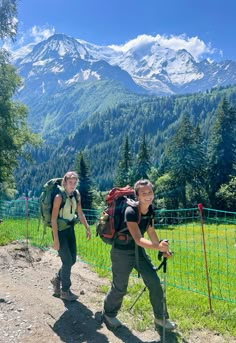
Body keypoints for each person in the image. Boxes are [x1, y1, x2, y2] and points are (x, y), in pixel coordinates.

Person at [102, 179, 176, 330]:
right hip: (121, 252)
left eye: (150, 192)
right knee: (120, 287)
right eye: (143, 193)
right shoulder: (130, 212)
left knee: (154, 282)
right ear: (137, 196)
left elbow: (150, 231)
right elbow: (138, 238)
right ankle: (109, 313)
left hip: (138, 252)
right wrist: (158, 247)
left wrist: (163, 249)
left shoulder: (150, 210)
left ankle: (161, 318)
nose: (147, 195)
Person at [51, 171, 91, 301]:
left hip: (70, 230)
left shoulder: (76, 195)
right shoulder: (59, 197)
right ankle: (65, 291)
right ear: (65, 183)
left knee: (72, 260)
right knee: (67, 261)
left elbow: (80, 213)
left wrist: (87, 227)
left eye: (75, 183)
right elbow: (53, 220)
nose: (73, 185)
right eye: (70, 183)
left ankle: (57, 278)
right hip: (60, 232)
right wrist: (56, 240)